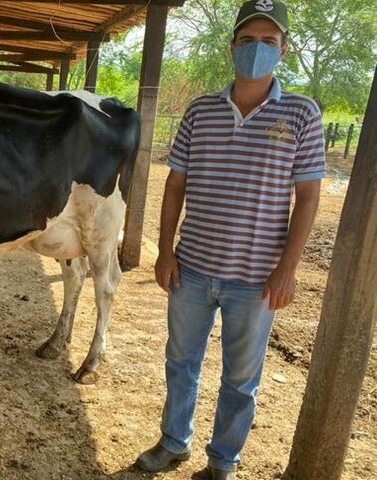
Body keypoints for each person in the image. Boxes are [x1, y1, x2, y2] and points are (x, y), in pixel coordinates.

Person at [134, 1, 326, 479]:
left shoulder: (302, 113)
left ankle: (223, 461)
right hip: (192, 268)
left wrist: (287, 268)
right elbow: (175, 184)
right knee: (181, 363)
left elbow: (307, 198)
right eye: (247, 40)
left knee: (241, 380)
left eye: (268, 41)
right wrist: (165, 250)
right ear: (232, 47)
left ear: (283, 50)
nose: (255, 49)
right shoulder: (201, 111)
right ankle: (175, 442)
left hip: (257, 279)